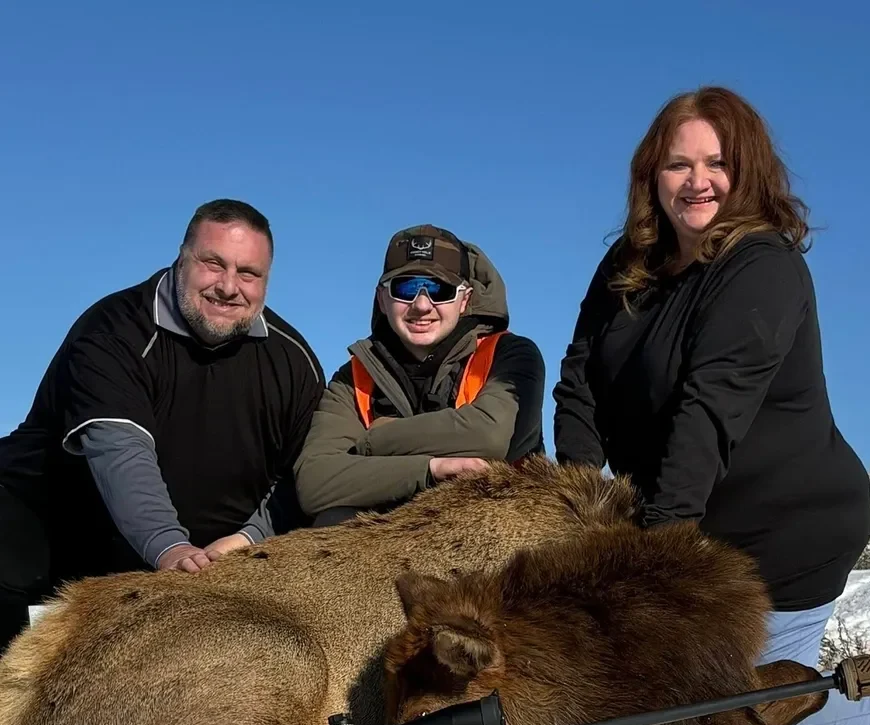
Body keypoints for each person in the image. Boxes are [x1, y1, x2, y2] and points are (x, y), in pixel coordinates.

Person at [552, 86, 870, 725]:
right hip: (689, 532)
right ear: (651, 174)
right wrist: (576, 503)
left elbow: (708, 411)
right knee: (634, 707)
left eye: (717, 163)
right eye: (678, 164)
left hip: (782, 535)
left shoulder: (762, 266)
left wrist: (656, 564)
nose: (697, 181)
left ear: (747, 172)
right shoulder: (628, 265)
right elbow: (580, 380)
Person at [0, 198, 325, 651]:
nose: (229, 287)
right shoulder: (113, 331)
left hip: (196, 569)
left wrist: (250, 540)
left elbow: (302, 476)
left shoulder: (294, 363)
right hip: (52, 542)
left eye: (248, 273)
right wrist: (170, 549)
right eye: (213, 263)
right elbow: (120, 452)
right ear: (182, 256)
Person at [294, 224, 545, 524]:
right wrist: (429, 469)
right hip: (392, 535)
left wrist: (373, 440)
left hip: (497, 528)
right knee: (332, 521)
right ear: (382, 299)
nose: (422, 305)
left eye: (440, 290)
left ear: (464, 300)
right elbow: (314, 482)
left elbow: (491, 436)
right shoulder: (352, 378)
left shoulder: (510, 355)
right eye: (406, 288)